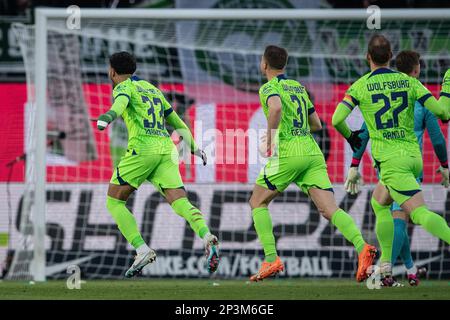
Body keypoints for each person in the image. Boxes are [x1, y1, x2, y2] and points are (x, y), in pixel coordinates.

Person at [249, 45, 377, 282]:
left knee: (257, 201)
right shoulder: (298, 87)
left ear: (264, 64)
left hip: (289, 153)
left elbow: (276, 107)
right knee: (329, 209)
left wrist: (270, 137)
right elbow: (317, 124)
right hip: (312, 151)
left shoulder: (269, 87)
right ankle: (362, 247)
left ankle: (271, 258)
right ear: (284, 65)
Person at [332, 34, 450, 286]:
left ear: (367, 57)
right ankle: (386, 263)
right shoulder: (409, 82)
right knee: (379, 202)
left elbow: (335, 119)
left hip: (392, 161)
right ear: (391, 56)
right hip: (411, 157)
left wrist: (352, 139)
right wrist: (447, 87)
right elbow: (443, 113)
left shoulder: (360, 86)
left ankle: (390, 263)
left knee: (418, 213)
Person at [96, 51, 220, 278]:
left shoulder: (123, 87)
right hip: (165, 150)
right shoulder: (152, 89)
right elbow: (176, 121)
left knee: (114, 202)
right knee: (180, 201)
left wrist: (107, 116)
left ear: (112, 71)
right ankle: (206, 235)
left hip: (143, 149)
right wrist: (193, 147)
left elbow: (121, 104)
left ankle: (142, 249)